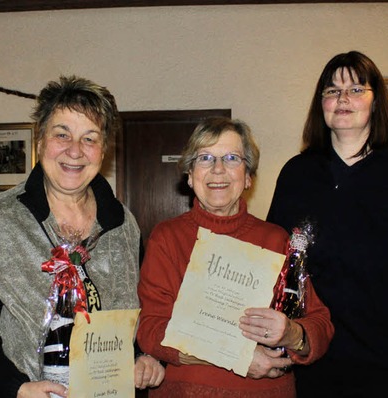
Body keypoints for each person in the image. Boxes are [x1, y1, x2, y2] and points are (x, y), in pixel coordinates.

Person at [266, 50, 388, 397]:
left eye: (356, 89)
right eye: (331, 90)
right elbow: (274, 267)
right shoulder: (296, 174)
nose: (342, 98)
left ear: (376, 103)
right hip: (313, 366)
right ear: (320, 104)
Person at [0, 75, 165, 398]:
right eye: (62, 134)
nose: (75, 151)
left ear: (104, 150)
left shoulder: (124, 227)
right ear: (40, 140)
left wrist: (143, 358)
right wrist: (17, 388)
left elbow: (135, 323)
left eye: (90, 138)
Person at [136, 116, 334, 397]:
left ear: (249, 176)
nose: (218, 169)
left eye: (231, 158)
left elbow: (320, 323)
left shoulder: (276, 240)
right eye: (205, 158)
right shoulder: (167, 238)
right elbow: (151, 330)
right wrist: (236, 356)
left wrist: (291, 333)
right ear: (190, 175)